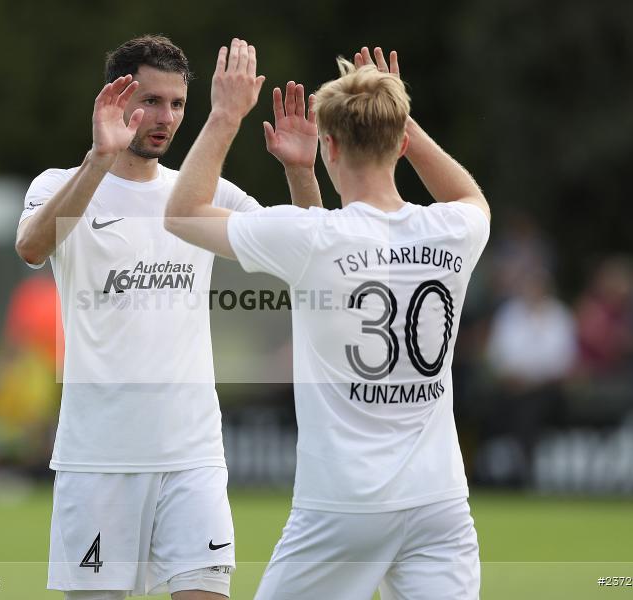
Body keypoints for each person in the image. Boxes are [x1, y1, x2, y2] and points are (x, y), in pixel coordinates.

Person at [165, 41, 490, 599]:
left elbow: (183, 213)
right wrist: (397, 115)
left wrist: (224, 116)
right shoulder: (454, 229)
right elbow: (468, 194)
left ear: (330, 146)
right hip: (440, 504)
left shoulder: (314, 239)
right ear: (403, 142)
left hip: (343, 506)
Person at [14, 35, 318, 600]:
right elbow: (32, 247)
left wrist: (302, 172)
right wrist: (100, 160)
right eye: (152, 101)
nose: (167, 118)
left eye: (177, 104)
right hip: (99, 456)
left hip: (192, 452)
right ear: (117, 97)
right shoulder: (60, 184)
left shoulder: (201, 193)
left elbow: (312, 253)